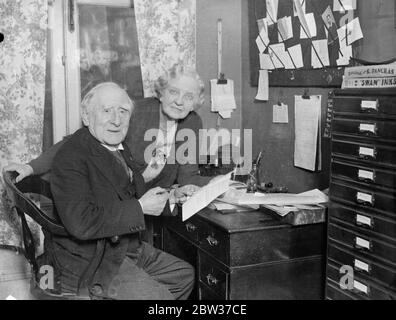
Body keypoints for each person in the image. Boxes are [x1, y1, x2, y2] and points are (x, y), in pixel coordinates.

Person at [40, 82, 194, 299]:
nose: (116, 119)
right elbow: (81, 223)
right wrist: (141, 207)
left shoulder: (115, 146)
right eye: (106, 110)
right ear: (86, 116)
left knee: (184, 275)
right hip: (90, 258)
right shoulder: (71, 157)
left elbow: (130, 188)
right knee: (160, 298)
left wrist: (170, 196)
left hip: (122, 246)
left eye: (123, 111)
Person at [4, 63, 212, 195]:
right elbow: (77, 142)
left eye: (188, 97)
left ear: (196, 102)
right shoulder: (134, 110)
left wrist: (225, 185)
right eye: (174, 92)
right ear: (161, 92)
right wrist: (31, 167)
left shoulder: (192, 122)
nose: (179, 102)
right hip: (110, 198)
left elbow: (188, 177)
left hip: (151, 204)